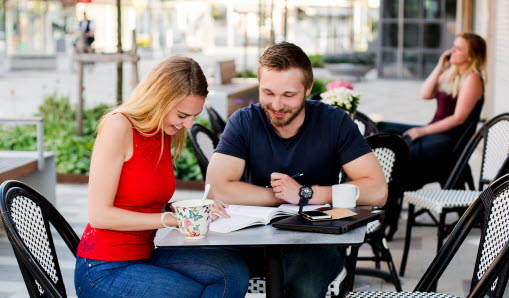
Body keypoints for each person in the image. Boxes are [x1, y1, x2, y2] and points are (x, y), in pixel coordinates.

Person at [206, 41, 387, 297]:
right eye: (267, 92)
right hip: (253, 236)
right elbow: (217, 189)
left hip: (316, 239)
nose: (277, 105)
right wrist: (280, 195)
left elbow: (377, 190)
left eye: (288, 95)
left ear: (308, 88)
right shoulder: (244, 121)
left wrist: (306, 194)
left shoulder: (334, 121)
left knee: (303, 287)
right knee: (205, 272)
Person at [74, 56, 250, 298]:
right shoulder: (119, 126)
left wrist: (191, 210)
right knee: (194, 293)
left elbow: (145, 200)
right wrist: (171, 219)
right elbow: (99, 216)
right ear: (159, 100)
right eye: (182, 115)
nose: (188, 125)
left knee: (233, 270)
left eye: (193, 116)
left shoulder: (162, 132)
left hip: (144, 255)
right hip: (104, 268)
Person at [377, 33, 486, 190]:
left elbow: (458, 118)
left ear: (470, 56)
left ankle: (391, 193)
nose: (452, 51)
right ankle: (385, 186)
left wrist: (423, 131)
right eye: (453, 46)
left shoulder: (472, 79)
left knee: (402, 146)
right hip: (435, 132)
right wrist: (440, 68)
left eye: (459, 48)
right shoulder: (451, 74)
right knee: (383, 129)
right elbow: (425, 94)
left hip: (450, 139)